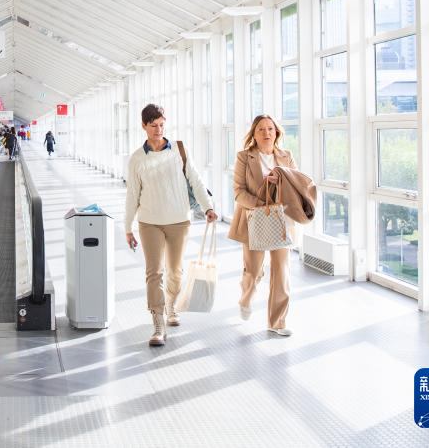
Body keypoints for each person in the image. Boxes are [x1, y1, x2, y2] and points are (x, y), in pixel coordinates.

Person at [125, 104, 216, 347]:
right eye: (153, 125)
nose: (158, 129)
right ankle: (157, 322)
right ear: (144, 126)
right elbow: (132, 195)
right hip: (149, 222)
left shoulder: (178, 149)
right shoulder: (137, 158)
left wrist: (208, 207)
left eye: (161, 125)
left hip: (178, 220)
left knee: (175, 271)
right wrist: (128, 227)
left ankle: (171, 306)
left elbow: (195, 180)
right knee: (154, 272)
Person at [230, 114, 299, 337]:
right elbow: (239, 192)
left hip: (281, 220)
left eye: (270, 128)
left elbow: (296, 185)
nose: (266, 133)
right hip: (254, 219)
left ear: (276, 132)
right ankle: (246, 297)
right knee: (253, 271)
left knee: (281, 272)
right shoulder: (244, 157)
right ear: (254, 133)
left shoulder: (286, 156)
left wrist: (281, 183)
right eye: (261, 129)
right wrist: (261, 204)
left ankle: (277, 322)